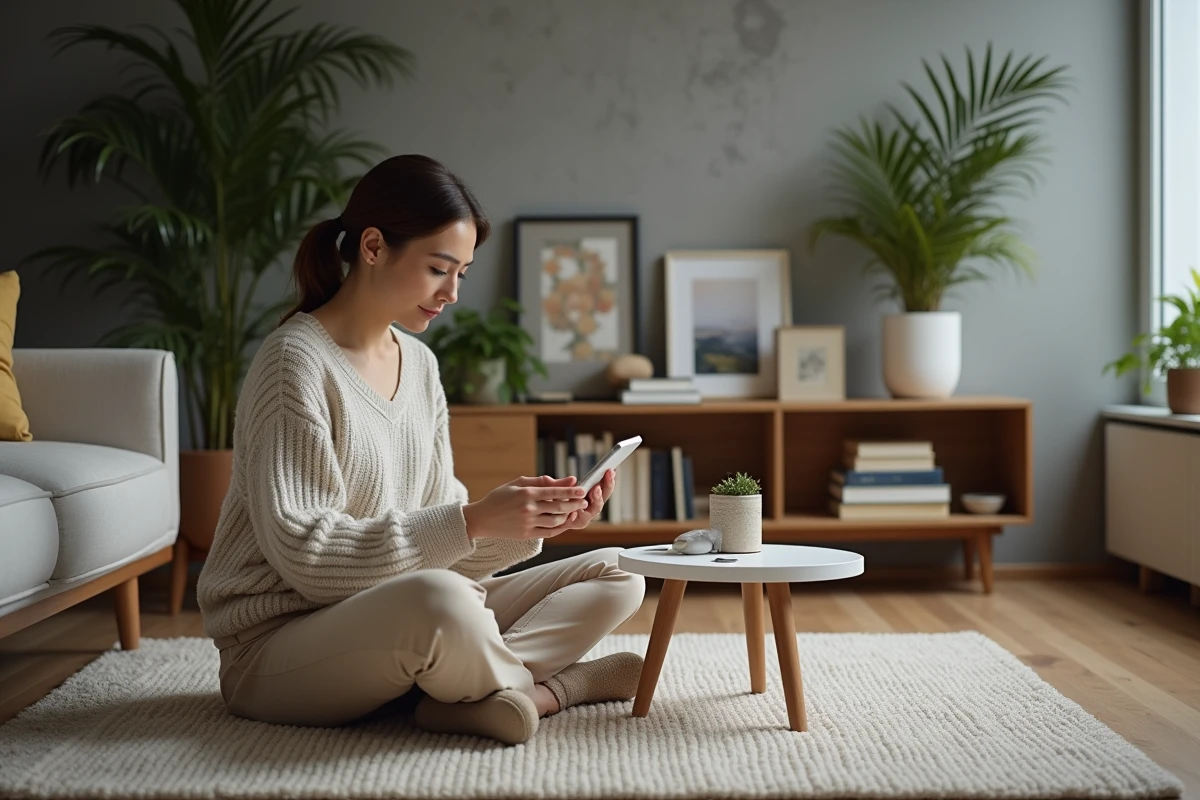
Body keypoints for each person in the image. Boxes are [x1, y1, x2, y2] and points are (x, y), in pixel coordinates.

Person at [195, 154, 647, 746]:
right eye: (440, 269)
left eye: (462, 273)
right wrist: (473, 519)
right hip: (281, 645)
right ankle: (553, 690)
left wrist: (529, 524)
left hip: (404, 614)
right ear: (375, 247)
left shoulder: (422, 365)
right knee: (440, 600)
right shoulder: (293, 364)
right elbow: (307, 559)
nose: (453, 293)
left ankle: (464, 690)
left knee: (618, 572)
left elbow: (445, 549)